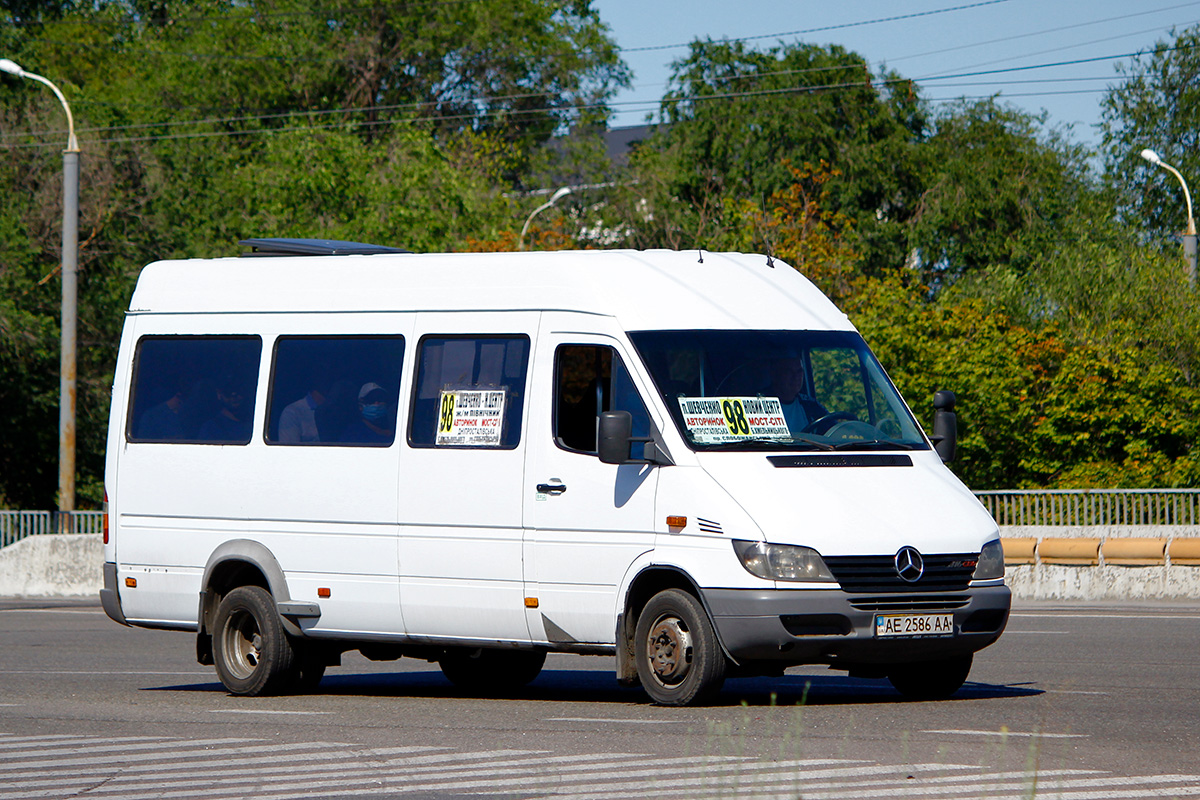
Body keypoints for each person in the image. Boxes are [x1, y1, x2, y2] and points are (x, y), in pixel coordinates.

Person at [767, 355, 824, 433]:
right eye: (789, 371)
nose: (796, 377)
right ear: (775, 374)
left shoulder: (810, 405)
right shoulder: (759, 404)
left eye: (799, 371)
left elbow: (833, 427)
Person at [198, 376, 253, 442]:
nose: (234, 395)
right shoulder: (210, 429)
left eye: (238, 390)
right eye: (228, 391)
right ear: (219, 394)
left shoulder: (255, 422)